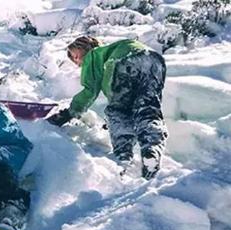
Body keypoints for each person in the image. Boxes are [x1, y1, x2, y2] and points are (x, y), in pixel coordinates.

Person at [47, 36, 168, 179]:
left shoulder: (93, 54)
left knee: (117, 112)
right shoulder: (112, 49)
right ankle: (152, 149)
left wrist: (69, 113)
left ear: (85, 48)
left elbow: (90, 90)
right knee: (148, 108)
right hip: (155, 61)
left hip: (125, 61)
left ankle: (124, 158)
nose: (77, 62)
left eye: (76, 56)